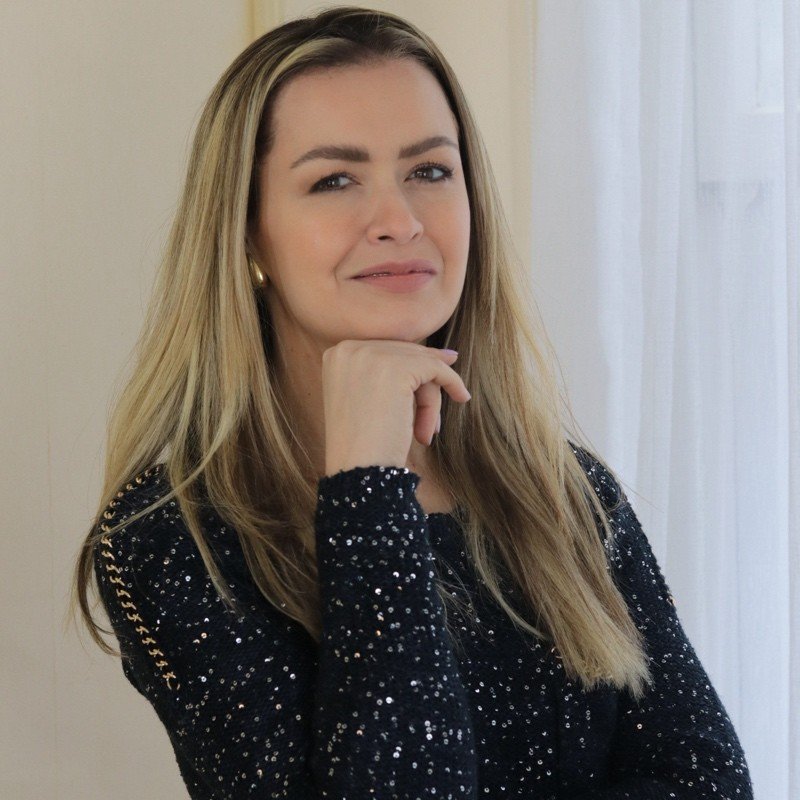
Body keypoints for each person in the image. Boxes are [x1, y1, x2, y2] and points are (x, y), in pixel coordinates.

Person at [71, 6, 753, 798]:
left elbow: (708, 782)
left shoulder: (565, 492)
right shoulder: (168, 537)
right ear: (248, 234)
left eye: (430, 171)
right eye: (334, 180)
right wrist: (365, 492)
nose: (399, 222)